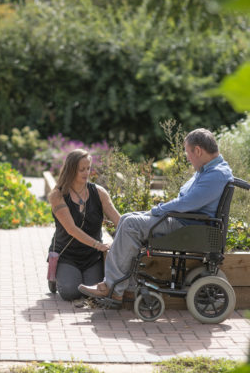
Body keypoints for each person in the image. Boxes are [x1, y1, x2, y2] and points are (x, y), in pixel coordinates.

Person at [78, 128, 234, 303]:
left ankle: (112, 287)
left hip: (189, 226)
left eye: (188, 153)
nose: (187, 158)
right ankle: (123, 287)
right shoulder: (208, 171)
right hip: (185, 221)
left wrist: (156, 210)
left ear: (198, 151)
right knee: (126, 219)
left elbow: (186, 203)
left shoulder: (215, 175)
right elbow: (185, 201)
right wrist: (156, 211)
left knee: (131, 224)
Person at [48, 148, 121, 301]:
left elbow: (118, 220)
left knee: (92, 293)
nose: (86, 172)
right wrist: (98, 245)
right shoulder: (58, 195)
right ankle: (55, 277)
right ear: (71, 169)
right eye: (81, 169)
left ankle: (71, 276)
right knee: (70, 293)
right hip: (67, 254)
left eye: (88, 168)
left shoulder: (99, 192)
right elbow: (71, 229)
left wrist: (132, 232)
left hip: (92, 256)